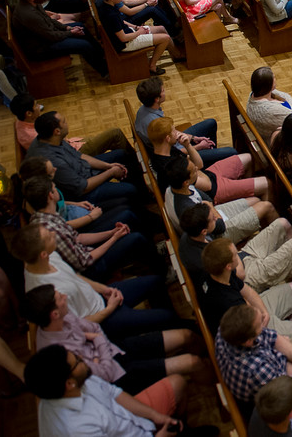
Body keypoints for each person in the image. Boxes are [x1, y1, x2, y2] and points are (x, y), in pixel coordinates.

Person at [24, 284, 203, 396]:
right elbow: (105, 373)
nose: (64, 296)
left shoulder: (63, 315)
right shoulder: (56, 353)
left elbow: (95, 329)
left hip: (116, 348)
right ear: (54, 314)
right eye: (59, 298)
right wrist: (98, 341)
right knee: (192, 362)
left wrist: (96, 343)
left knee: (186, 335)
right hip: (120, 375)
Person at [13, 223, 180, 340]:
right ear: (42, 254)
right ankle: (166, 327)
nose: (54, 235)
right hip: (102, 320)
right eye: (49, 237)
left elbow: (74, 276)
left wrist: (104, 289)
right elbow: (76, 327)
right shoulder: (45, 292)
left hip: (101, 298)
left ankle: (162, 327)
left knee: (156, 282)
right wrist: (110, 309)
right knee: (167, 316)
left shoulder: (48, 256)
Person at [23, 344, 210, 437]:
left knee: (177, 383)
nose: (83, 358)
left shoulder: (77, 380)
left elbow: (114, 393)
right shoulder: (77, 430)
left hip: (135, 421)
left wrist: (155, 416)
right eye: (77, 362)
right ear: (69, 384)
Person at [23, 174, 157, 282]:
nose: (56, 187)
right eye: (54, 187)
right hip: (90, 270)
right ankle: (161, 269)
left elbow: (79, 237)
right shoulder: (52, 231)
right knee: (136, 238)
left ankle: (152, 250)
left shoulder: (44, 216)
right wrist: (114, 238)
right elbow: (86, 261)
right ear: (51, 196)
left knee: (127, 217)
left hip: (85, 253)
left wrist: (112, 232)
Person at [27, 110, 145, 205]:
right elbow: (83, 187)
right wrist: (110, 172)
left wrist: (108, 166)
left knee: (121, 155)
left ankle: (145, 192)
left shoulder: (50, 139)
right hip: (84, 192)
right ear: (57, 131)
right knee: (130, 189)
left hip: (84, 171)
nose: (67, 123)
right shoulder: (54, 162)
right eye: (64, 122)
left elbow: (81, 156)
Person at [10, 0, 109, 77]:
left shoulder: (33, 3)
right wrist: (71, 33)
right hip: (41, 48)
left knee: (80, 26)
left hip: (47, 36)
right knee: (84, 45)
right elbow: (51, 36)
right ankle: (106, 71)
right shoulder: (29, 15)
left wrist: (67, 28)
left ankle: (104, 55)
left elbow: (49, 20)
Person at [134, 76, 237, 166]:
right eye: (163, 91)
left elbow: (172, 132)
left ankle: (210, 157)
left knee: (211, 123)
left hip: (176, 142)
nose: (165, 92)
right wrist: (199, 147)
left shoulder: (143, 110)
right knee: (231, 152)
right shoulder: (155, 124)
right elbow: (174, 152)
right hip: (179, 154)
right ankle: (206, 163)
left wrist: (194, 138)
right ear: (157, 99)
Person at [97, 0, 183, 76]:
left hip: (130, 32)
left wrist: (136, 27)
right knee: (165, 38)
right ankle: (152, 66)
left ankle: (177, 55)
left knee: (161, 28)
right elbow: (123, 38)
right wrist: (139, 32)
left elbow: (122, 22)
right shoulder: (110, 15)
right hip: (126, 43)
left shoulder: (107, 5)